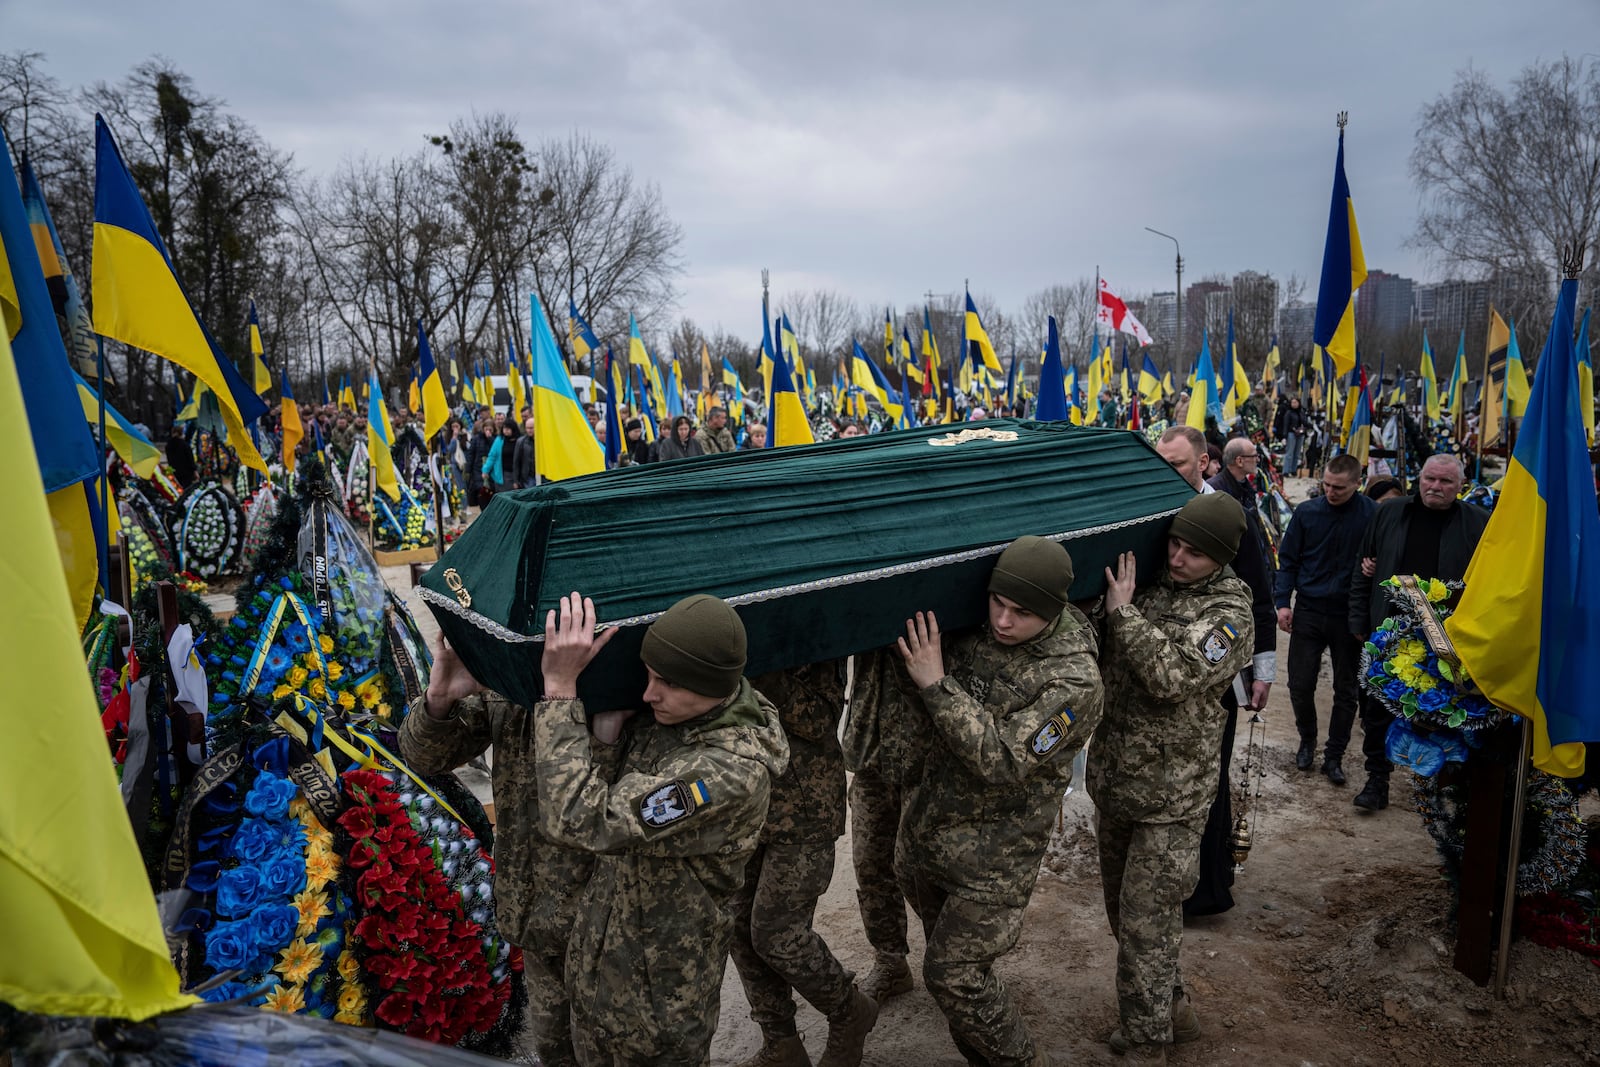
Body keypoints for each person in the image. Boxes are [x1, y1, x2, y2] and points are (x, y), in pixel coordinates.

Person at [528, 592, 789, 1066]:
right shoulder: (688, 715)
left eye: (667, 683)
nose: (649, 695)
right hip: (605, 967)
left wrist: (561, 692)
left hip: (655, 1005)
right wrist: (605, 740)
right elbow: (621, 792)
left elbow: (582, 819)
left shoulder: (724, 773)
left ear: (711, 685)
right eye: (648, 675)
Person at [897, 537, 1106, 1067]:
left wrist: (937, 684)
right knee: (954, 978)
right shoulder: (977, 627)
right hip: (931, 835)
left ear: (1055, 610)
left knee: (953, 975)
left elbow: (1004, 759)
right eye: (998, 603)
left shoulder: (1073, 680)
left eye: (1022, 612)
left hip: (994, 861)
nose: (1005, 621)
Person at [1088, 494, 1255, 1065]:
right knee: (1123, 911)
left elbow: (1172, 674)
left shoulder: (1231, 613)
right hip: (1115, 779)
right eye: (1175, 544)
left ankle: (1147, 1041)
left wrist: (1123, 613)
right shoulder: (1151, 581)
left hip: (1172, 795)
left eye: (1195, 552)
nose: (1179, 557)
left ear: (1223, 558)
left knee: (1147, 920)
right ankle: (1172, 1007)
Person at [400, 630, 614, 1067]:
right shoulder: (515, 662)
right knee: (555, 1048)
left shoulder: (626, 671)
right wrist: (440, 695)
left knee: (611, 1051)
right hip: (532, 909)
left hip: (605, 921)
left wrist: (563, 693)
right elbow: (423, 757)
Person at [730, 661, 877, 1067]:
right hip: (746, 802)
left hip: (805, 808)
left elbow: (818, 720)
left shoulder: (804, 637)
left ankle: (850, 1011)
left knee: (777, 932)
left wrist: (757, 668)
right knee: (737, 927)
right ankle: (781, 1041)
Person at [1347, 454, 1488, 811]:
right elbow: (1363, 567)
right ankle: (1377, 780)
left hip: (1448, 638)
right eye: (1429, 480)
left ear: (1460, 487)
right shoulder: (1390, 512)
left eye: (1444, 482)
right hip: (1389, 632)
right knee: (1378, 711)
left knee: (1442, 713)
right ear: (1419, 479)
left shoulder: (1478, 523)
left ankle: (1445, 790)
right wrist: (1359, 622)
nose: (1435, 488)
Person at [1188, 438, 1276, 915]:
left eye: (1178, 463)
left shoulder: (1229, 513)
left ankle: (1208, 886)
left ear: (1203, 462)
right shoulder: (1146, 507)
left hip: (1218, 676)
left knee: (1210, 777)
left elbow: (1260, 592)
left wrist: (1263, 670)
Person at [1275, 455, 1375, 781]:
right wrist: (1282, 603)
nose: (1331, 492)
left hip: (1349, 614)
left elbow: (1385, 558)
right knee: (1299, 683)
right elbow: (1287, 560)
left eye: (1339, 488)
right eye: (1327, 485)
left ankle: (1334, 755)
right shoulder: (1307, 513)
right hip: (1309, 608)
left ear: (1357, 483)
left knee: (1346, 689)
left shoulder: (1371, 515)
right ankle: (1307, 739)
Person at [840, 649, 928, 1006]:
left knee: (924, 872)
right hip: (871, 745)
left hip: (927, 750)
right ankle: (891, 962)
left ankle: (954, 968)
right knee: (870, 863)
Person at [1275, 397, 1307, 476]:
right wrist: (1284, 436)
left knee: (1297, 453)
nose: (1294, 404)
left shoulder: (1301, 412)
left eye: (1295, 402)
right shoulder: (1288, 413)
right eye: (1292, 402)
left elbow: (1305, 422)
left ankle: (1294, 469)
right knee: (1289, 453)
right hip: (1291, 433)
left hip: (1300, 434)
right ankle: (1286, 470)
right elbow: (1285, 425)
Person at [512, 416, 538, 489]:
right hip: (528, 477)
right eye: (527, 428)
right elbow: (516, 462)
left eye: (531, 428)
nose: (529, 430)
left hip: (542, 476)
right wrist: (516, 481)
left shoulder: (543, 442)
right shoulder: (521, 442)